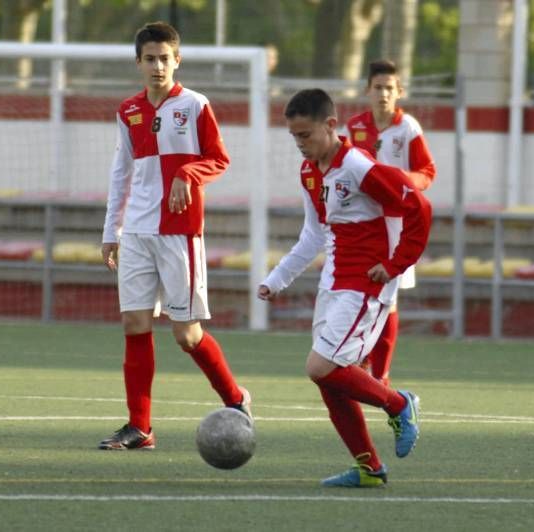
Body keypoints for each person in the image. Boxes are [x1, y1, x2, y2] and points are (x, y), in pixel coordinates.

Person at [258, 88, 432, 487]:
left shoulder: (357, 165)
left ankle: (400, 403)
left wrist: (393, 266)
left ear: (331, 125)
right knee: (329, 375)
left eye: (305, 135)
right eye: (294, 137)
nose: (300, 144)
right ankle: (369, 468)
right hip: (334, 280)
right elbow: (313, 235)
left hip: (366, 285)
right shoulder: (309, 172)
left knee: (320, 366)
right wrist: (276, 278)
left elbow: (418, 207)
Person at [99, 21, 250, 451]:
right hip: (138, 233)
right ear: (139, 64)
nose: (158, 66)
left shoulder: (196, 105)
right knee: (134, 323)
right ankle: (140, 428)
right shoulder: (127, 111)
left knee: (186, 335)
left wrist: (188, 172)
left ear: (177, 61)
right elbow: (120, 174)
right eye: (150, 59)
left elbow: (218, 159)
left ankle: (236, 399)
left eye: (165, 58)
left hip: (180, 234)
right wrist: (112, 231)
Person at [342, 59, 437, 388]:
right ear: (367, 90)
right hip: (362, 221)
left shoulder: (407, 128)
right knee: (361, 290)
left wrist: (403, 181)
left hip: (396, 223)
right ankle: (360, 357)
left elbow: (427, 172)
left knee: (388, 298)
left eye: (389, 88)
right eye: (377, 87)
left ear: (400, 92)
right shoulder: (353, 127)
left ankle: (380, 374)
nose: (383, 94)